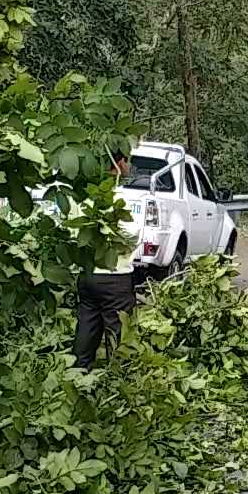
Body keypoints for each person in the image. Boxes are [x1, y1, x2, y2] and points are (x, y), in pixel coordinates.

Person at [71, 155, 138, 371]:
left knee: (87, 326)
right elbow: (132, 236)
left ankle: (79, 374)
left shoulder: (86, 198)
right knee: (118, 333)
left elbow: (74, 234)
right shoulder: (120, 199)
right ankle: (117, 379)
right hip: (115, 277)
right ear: (118, 163)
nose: (129, 166)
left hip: (88, 274)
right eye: (127, 161)